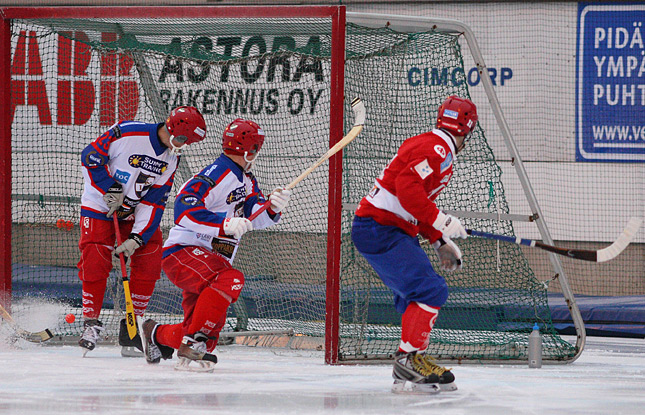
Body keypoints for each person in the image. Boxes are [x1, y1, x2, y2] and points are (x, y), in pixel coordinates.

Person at [141, 118, 291, 372]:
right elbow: (184, 210)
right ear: (251, 149)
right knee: (230, 280)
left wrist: (273, 207)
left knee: (206, 338)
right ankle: (192, 341)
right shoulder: (218, 173)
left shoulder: (247, 179)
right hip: (184, 252)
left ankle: (155, 333)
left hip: (212, 260)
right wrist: (224, 224)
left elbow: (254, 215)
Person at [351, 96, 478, 394]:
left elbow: (414, 201)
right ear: (468, 130)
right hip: (380, 228)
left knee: (416, 295)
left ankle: (410, 363)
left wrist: (437, 240)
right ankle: (408, 360)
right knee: (431, 290)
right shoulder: (437, 149)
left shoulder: (433, 146)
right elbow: (407, 192)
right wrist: (442, 221)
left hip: (385, 228)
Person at [77, 106, 207, 356]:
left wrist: (138, 237)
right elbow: (90, 157)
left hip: (134, 210)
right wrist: (109, 188)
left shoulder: (171, 156)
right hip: (99, 206)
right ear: (174, 131)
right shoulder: (128, 132)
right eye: (184, 139)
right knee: (95, 257)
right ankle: (91, 323)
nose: (184, 145)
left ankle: (131, 330)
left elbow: (155, 200)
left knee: (150, 258)